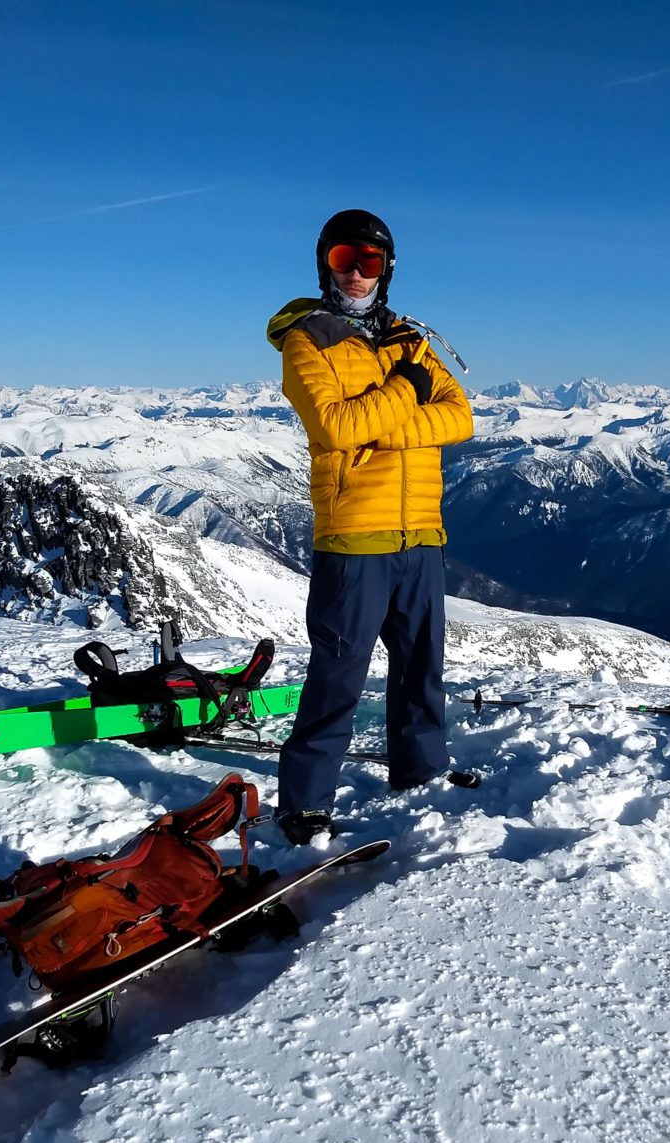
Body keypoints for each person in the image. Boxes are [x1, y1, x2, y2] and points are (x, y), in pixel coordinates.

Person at [265, 209, 476, 844]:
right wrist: (409, 392)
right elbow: (332, 427)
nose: (357, 271)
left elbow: (460, 419)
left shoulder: (410, 340)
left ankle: (422, 771)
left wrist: (380, 420)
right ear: (324, 262)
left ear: (387, 270)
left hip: (421, 535)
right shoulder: (308, 340)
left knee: (421, 667)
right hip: (355, 535)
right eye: (342, 258)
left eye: (371, 260)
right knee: (338, 673)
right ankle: (304, 802)